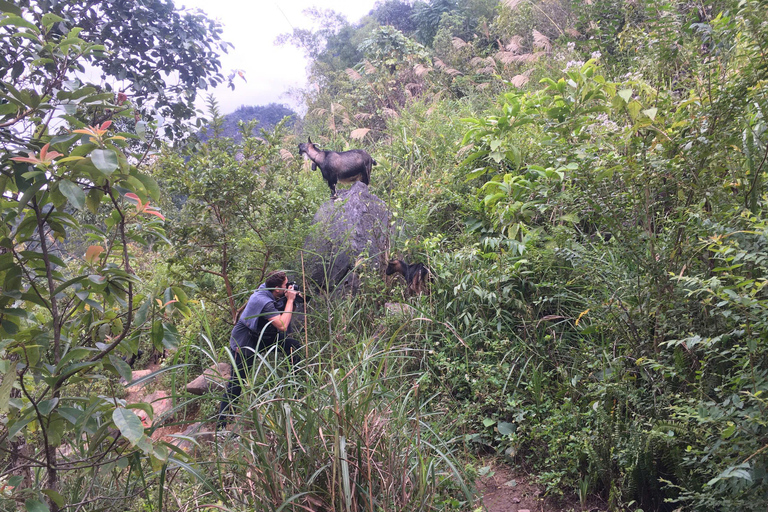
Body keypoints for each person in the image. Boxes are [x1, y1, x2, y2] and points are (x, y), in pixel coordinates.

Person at [218, 271, 301, 427]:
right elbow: (282, 325)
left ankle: (294, 390)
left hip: (265, 337)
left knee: (293, 348)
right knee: (237, 382)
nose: (288, 287)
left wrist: (293, 297)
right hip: (245, 340)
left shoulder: (268, 289)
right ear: (277, 288)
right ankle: (222, 424)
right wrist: (290, 300)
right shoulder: (262, 300)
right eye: (285, 286)